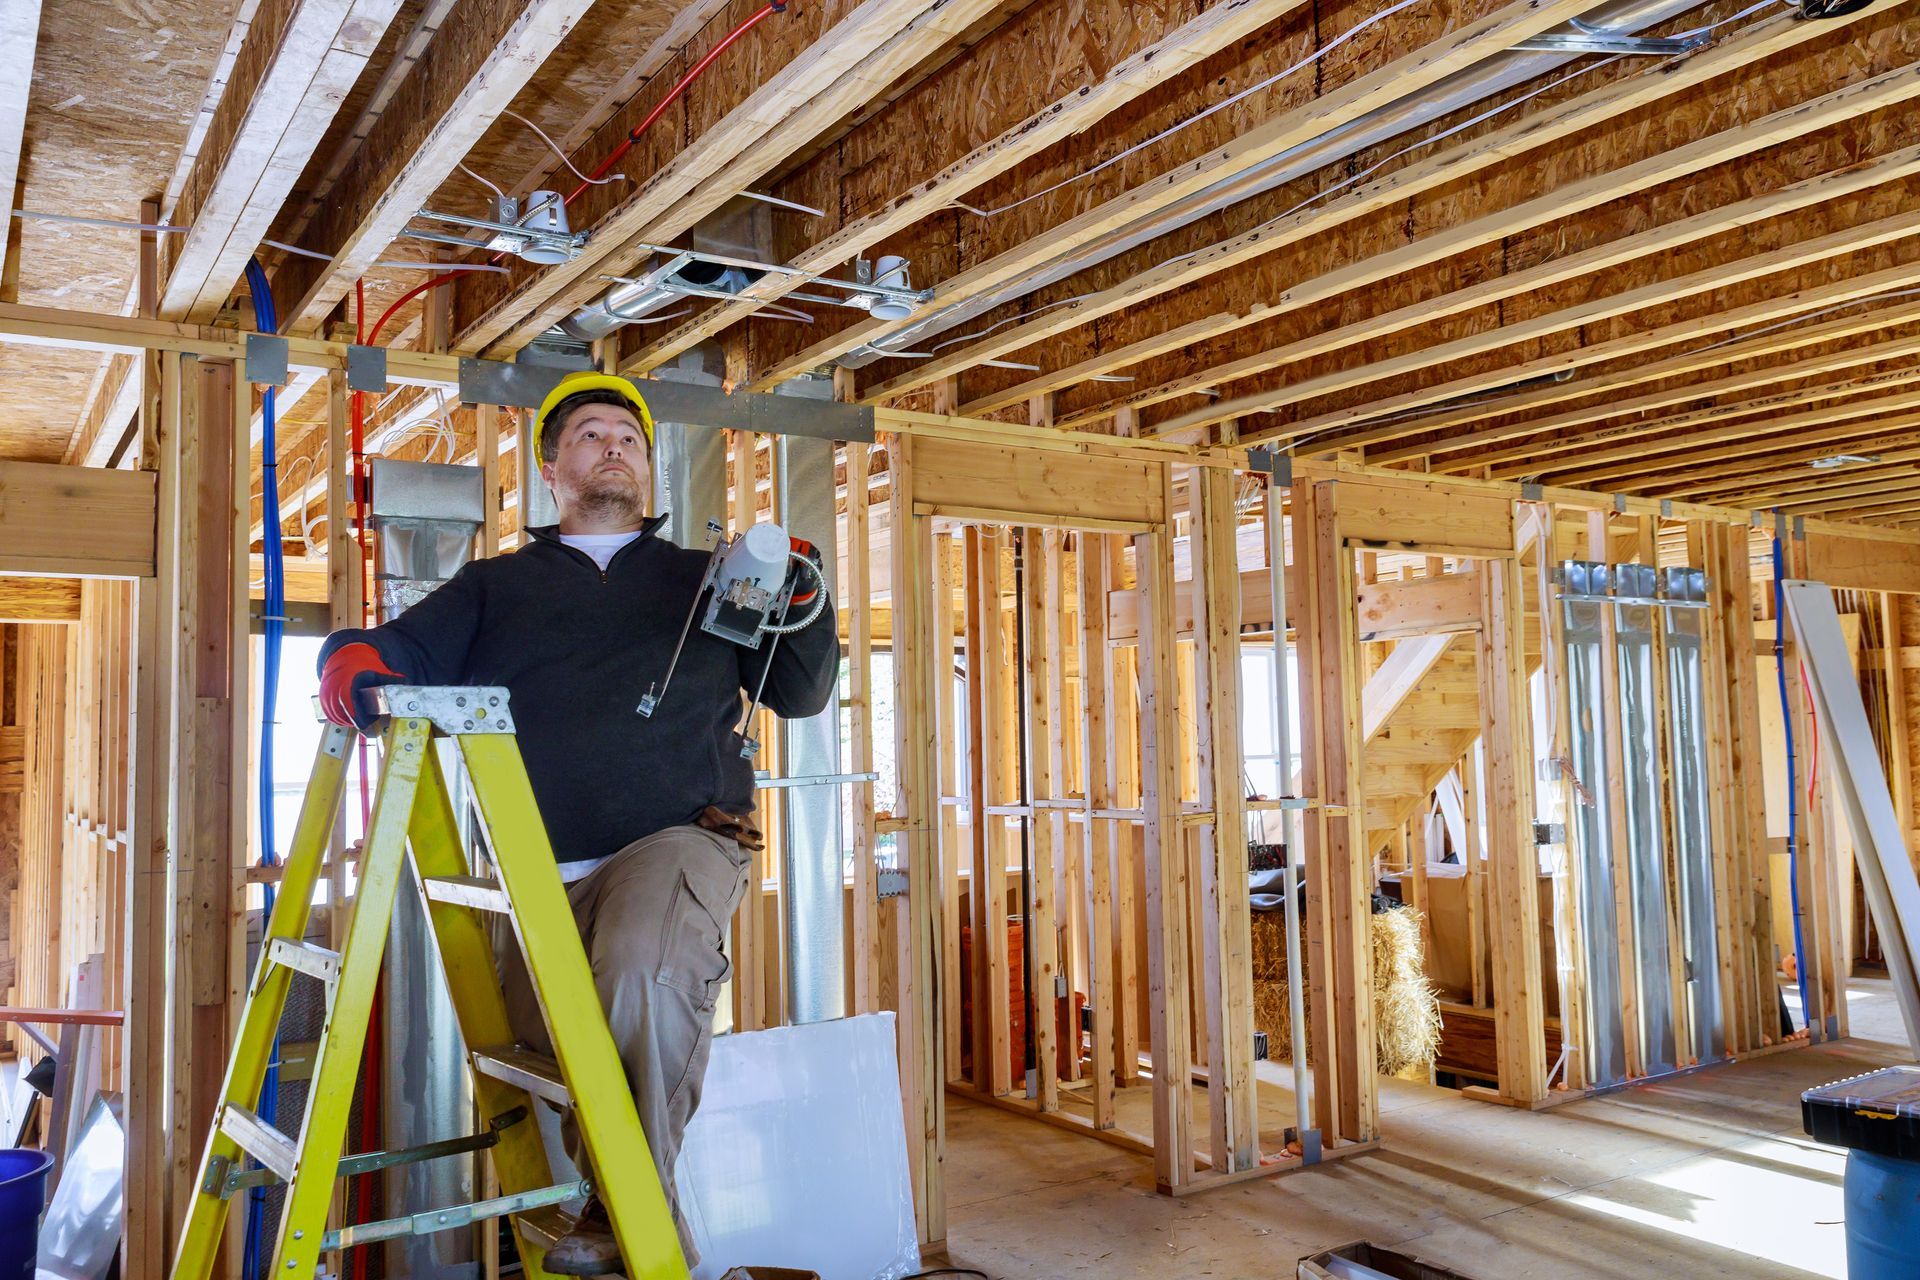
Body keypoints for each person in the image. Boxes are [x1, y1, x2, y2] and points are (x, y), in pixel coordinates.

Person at [316, 370, 837, 1274]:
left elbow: (798, 691)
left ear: (648, 471)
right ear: (552, 469)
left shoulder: (705, 579)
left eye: (628, 438)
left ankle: (637, 1229)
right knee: (569, 1056)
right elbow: (395, 649)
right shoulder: (495, 588)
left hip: (679, 839)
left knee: (642, 968)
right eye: (591, 435)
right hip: (534, 870)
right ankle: (629, 1214)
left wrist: (800, 601)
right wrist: (350, 664)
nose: (613, 448)